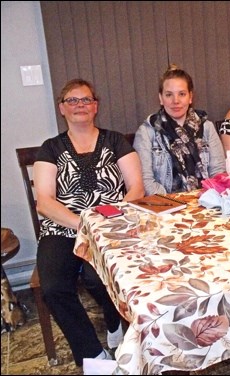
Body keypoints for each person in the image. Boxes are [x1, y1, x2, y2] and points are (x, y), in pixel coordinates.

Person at [33, 78, 144, 366]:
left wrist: (110, 220)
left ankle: (113, 319)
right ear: (62, 108)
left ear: (95, 106)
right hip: (63, 229)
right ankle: (92, 354)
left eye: (86, 100)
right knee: (54, 288)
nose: (80, 105)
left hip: (111, 226)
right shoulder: (50, 148)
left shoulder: (116, 140)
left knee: (100, 280)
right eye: (72, 100)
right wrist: (82, 224)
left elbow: (136, 189)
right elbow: (44, 201)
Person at [134, 64, 226, 194]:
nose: (175, 101)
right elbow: (145, 181)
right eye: (169, 95)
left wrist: (206, 200)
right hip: (165, 207)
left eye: (182, 94)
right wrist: (173, 204)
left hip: (206, 203)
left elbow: (218, 173)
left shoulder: (207, 128)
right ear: (161, 98)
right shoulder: (147, 132)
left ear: (190, 97)